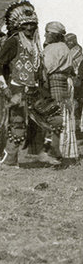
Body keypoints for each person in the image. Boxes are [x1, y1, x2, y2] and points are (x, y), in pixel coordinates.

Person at [0, 0, 61, 166]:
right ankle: (9, 160)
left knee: (55, 119)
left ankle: (45, 152)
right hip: (17, 89)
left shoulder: (35, 44)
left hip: (34, 90)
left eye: (33, 25)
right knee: (18, 125)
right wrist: (5, 88)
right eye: (26, 25)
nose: (30, 28)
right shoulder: (14, 41)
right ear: (19, 27)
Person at [42, 21, 77, 162]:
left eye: (47, 32)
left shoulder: (54, 48)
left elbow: (47, 67)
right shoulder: (62, 47)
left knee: (57, 116)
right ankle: (64, 151)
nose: (45, 35)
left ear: (55, 35)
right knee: (64, 116)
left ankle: (57, 152)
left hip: (56, 82)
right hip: (63, 82)